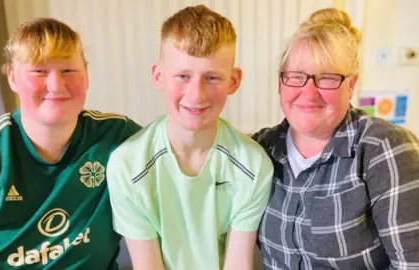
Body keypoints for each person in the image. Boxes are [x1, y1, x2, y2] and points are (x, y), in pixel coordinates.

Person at [0, 18, 141, 269]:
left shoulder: (118, 137)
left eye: (68, 70)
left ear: (87, 75)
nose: (56, 85)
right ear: (12, 77)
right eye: (39, 71)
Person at [106, 5, 273, 270]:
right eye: (183, 76)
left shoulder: (253, 165)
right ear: (158, 76)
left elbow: (238, 264)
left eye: (212, 78)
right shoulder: (127, 164)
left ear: (234, 80)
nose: (196, 94)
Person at [252, 8, 419, 269]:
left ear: (351, 85)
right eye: (296, 76)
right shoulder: (260, 148)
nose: (308, 93)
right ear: (280, 82)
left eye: (327, 78)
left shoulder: (384, 148)